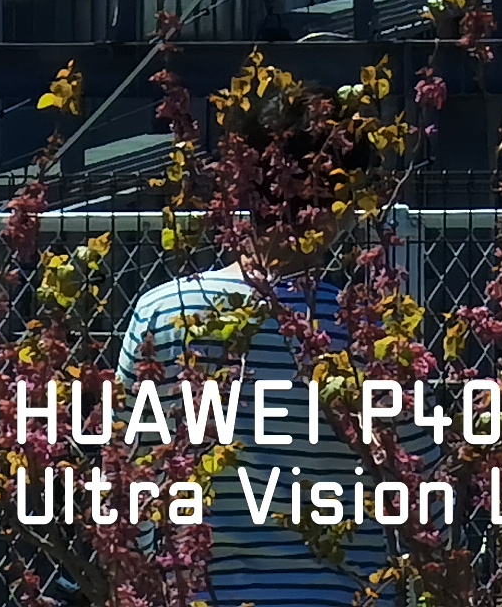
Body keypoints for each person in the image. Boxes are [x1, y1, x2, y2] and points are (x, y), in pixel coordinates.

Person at [112, 260, 385, 607]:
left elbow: (124, 471)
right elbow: (421, 488)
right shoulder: (363, 327)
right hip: (345, 593)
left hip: (199, 591)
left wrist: (140, 582)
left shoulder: (164, 308)